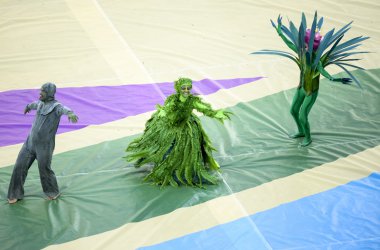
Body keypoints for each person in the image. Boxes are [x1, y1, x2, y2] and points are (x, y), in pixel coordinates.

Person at [251, 12, 368, 146]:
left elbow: (322, 70)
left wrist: (333, 79)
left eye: (307, 44)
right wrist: (280, 33)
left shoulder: (315, 59)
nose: (305, 46)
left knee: (302, 115)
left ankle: (308, 137)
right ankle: (301, 131)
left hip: (311, 91)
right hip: (301, 87)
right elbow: (289, 44)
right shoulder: (301, 52)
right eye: (305, 44)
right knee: (293, 111)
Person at [125, 77, 232, 187]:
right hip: (171, 126)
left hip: (186, 127)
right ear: (178, 88)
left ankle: (203, 163)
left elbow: (204, 108)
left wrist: (215, 113)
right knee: (168, 146)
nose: (186, 90)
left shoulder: (192, 100)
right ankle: (166, 168)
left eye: (188, 88)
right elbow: (168, 108)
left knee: (194, 145)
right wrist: (163, 112)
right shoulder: (173, 99)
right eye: (183, 88)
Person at [7, 82, 78, 204]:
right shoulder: (40, 103)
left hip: (44, 147)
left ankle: (52, 191)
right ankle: (15, 192)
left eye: (43, 91)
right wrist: (28, 106)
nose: (40, 93)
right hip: (29, 143)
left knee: (44, 169)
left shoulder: (56, 107)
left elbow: (63, 109)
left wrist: (70, 113)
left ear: (49, 93)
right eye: (41, 90)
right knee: (19, 166)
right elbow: (34, 104)